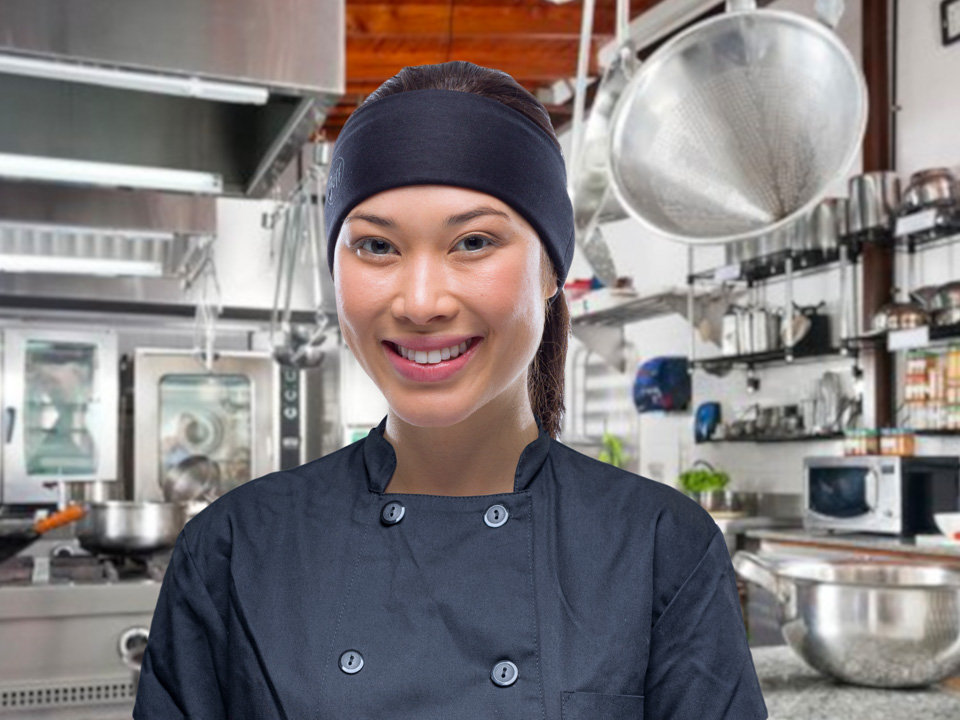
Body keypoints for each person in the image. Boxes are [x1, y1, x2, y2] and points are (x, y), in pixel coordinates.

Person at [133, 60, 768, 720]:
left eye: (472, 241)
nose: (420, 301)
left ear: (551, 267)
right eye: (377, 247)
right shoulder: (233, 549)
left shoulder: (661, 547)